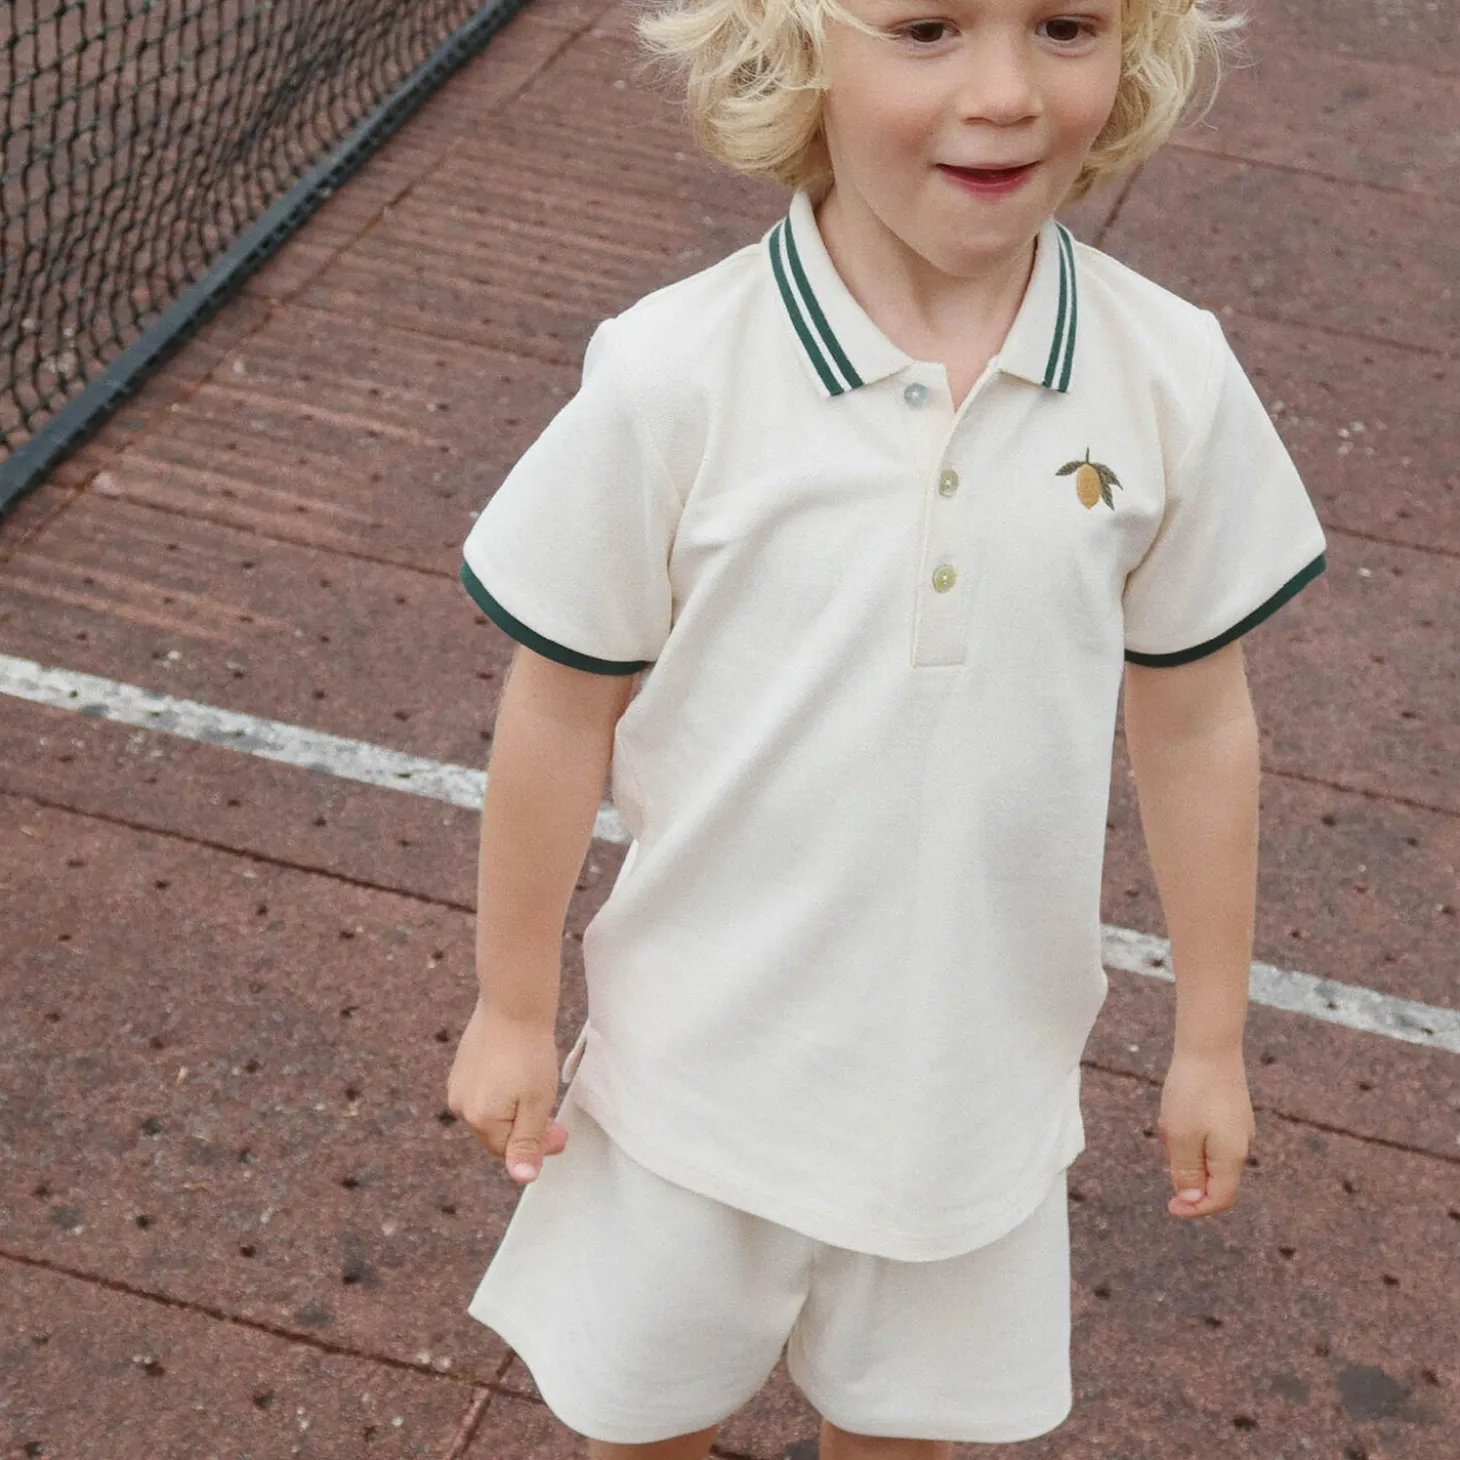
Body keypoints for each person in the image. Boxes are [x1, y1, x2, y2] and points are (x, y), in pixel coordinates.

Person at [447, 0, 1327, 1452]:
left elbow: (1196, 728)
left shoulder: (1172, 375)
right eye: (926, 28)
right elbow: (557, 706)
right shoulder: (673, 372)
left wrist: (1212, 1041)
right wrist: (513, 1008)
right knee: (642, 1429)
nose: (1007, 91)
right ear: (794, 48)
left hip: (977, 1110)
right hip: (689, 1090)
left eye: (1065, 25)